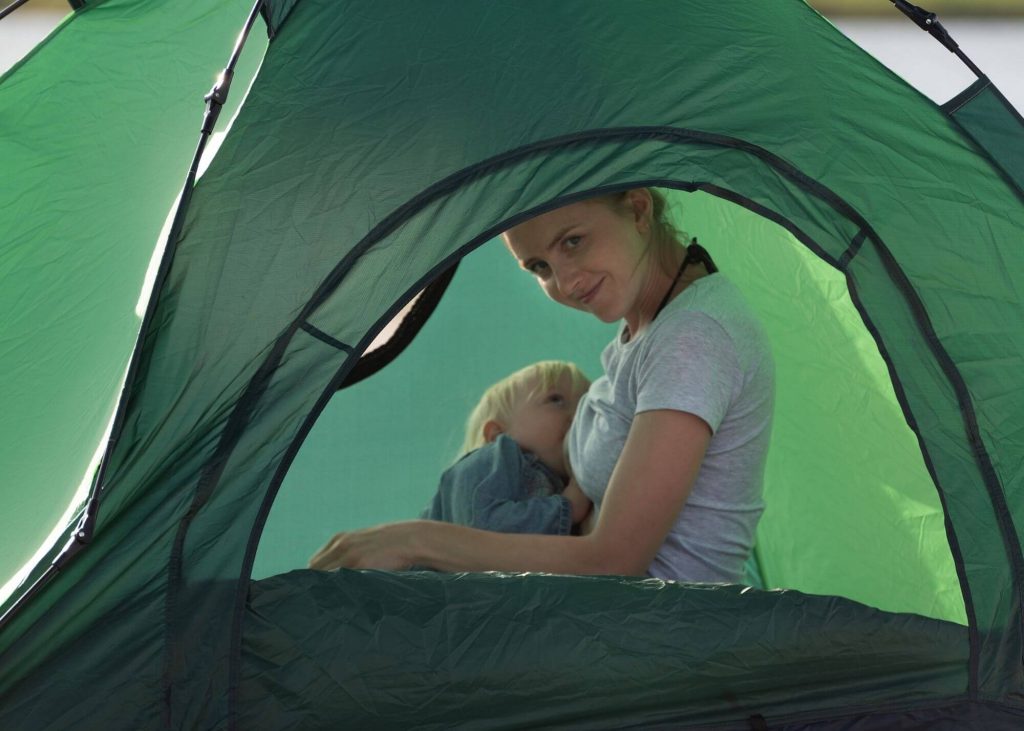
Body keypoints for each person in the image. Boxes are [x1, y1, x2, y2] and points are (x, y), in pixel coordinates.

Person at [310, 187, 774, 583]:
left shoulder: (692, 337)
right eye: (539, 268)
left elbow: (615, 561)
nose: (565, 282)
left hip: (655, 641)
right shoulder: (643, 331)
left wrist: (416, 541)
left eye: (572, 241)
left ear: (637, 209)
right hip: (601, 620)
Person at [420, 360, 592, 535]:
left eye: (587, 404)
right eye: (555, 399)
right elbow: (483, 532)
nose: (580, 413)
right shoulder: (490, 459)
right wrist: (567, 507)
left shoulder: (560, 481)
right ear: (497, 434)